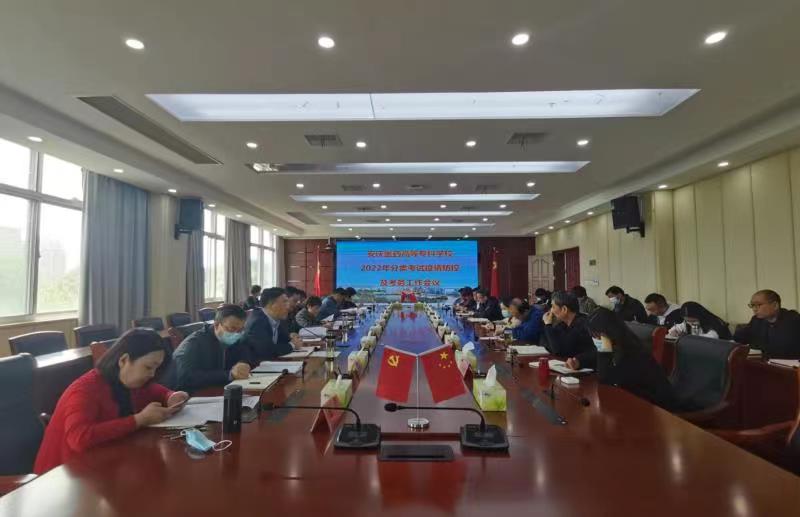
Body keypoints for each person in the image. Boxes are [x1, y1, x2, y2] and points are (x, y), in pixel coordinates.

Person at [33, 328, 188, 474]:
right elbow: (79, 438)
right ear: (124, 360)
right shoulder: (85, 390)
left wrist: (170, 396)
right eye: (148, 367)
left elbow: (153, 390)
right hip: (61, 475)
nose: (152, 374)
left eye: (156, 368)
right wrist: (139, 420)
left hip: (100, 463)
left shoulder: (129, 380)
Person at [567, 308, 676, 410]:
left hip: (653, 407)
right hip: (632, 403)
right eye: (593, 335)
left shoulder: (633, 352)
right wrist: (579, 361)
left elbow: (606, 380)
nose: (596, 339)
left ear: (610, 331)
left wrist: (604, 350)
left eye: (598, 335)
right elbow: (595, 356)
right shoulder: (617, 344)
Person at [173, 304, 252, 392]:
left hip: (220, 388)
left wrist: (243, 363)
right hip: (193, 394)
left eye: (240, 330)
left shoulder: (234, 337)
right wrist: (229, 374)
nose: (236, 334)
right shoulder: (194, 343)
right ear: (217, 325)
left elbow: (244, 352)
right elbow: (185, 377)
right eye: (232, 329)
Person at [733, 290, 800, 358]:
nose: (754, 309)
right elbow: (740, 338)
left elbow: (781, 348)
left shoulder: (794, 320)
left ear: (775, 305)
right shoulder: (756, 320)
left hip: (788, 363)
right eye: (752, 305)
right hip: (765, 362)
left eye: (758, 305)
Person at [243, 287, 303, 360]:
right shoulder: (257, 322)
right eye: (284, 302)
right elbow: (267, 351)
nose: (288, 306)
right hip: (255, 365)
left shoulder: (276, 319)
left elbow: (284, 340)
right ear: (271, 305)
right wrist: (292, 345)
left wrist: (293, 339)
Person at [542, 291, 596, 364]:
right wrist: (548, 325)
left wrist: (548, 325)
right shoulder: (563, 324)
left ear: (564, 309)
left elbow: (559, 351)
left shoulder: (582, 324)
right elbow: (546, 344)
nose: (551, 310)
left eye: (553, 307)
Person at [667, 302, 731, 340]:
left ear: (700, 317)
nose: (691, 323)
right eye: (687, 321)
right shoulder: (687, 323)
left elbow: (710, 339)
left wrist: (686, 337)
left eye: (693, 321)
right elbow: (676, 328)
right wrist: (674, 331)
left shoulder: (714, 323)